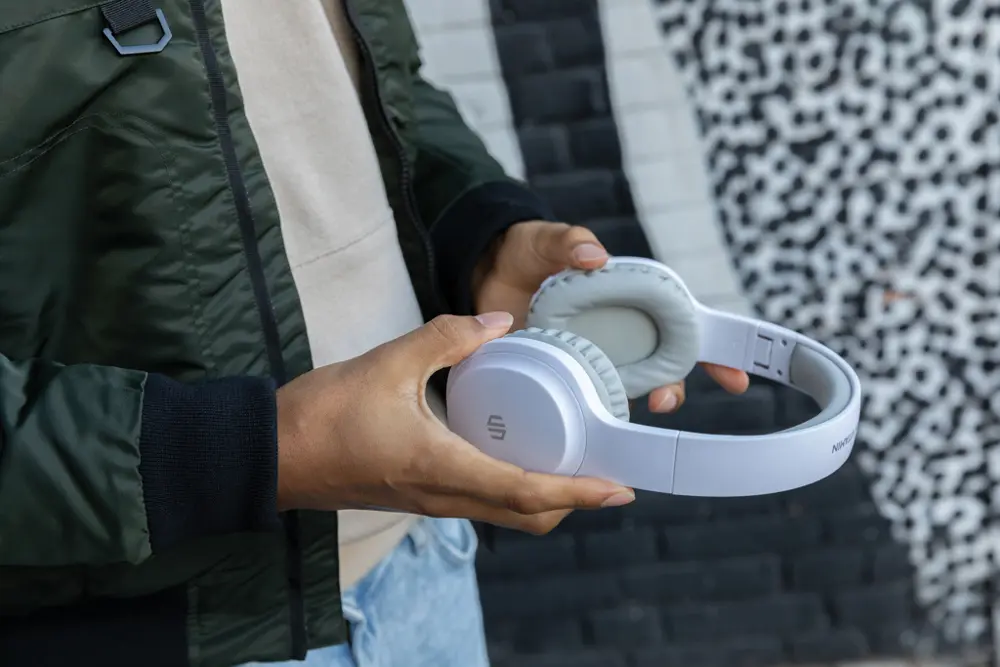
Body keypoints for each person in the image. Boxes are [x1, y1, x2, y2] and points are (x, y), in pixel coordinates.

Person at [0, 1, 749, 665]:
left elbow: (376, 86)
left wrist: (479, 230)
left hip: (422, 562)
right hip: (149, 628)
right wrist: (252, 450)